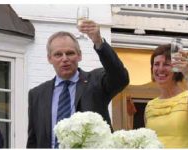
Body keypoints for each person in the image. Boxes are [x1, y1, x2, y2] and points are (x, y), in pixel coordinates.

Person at [27, 20, 129, 148]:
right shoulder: (37, 94)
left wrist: (99, 42)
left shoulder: (96, 82)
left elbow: (120, 78)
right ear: (49, 58)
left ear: (79, 55)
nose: (65, 59)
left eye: (70, 53)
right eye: (58, 54)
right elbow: (33, 140)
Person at [145, 44, 188, 148]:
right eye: (156, 64)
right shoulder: (150, 106)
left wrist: (187, 73)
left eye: (166, 64)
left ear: (176, 70)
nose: (160, 69)